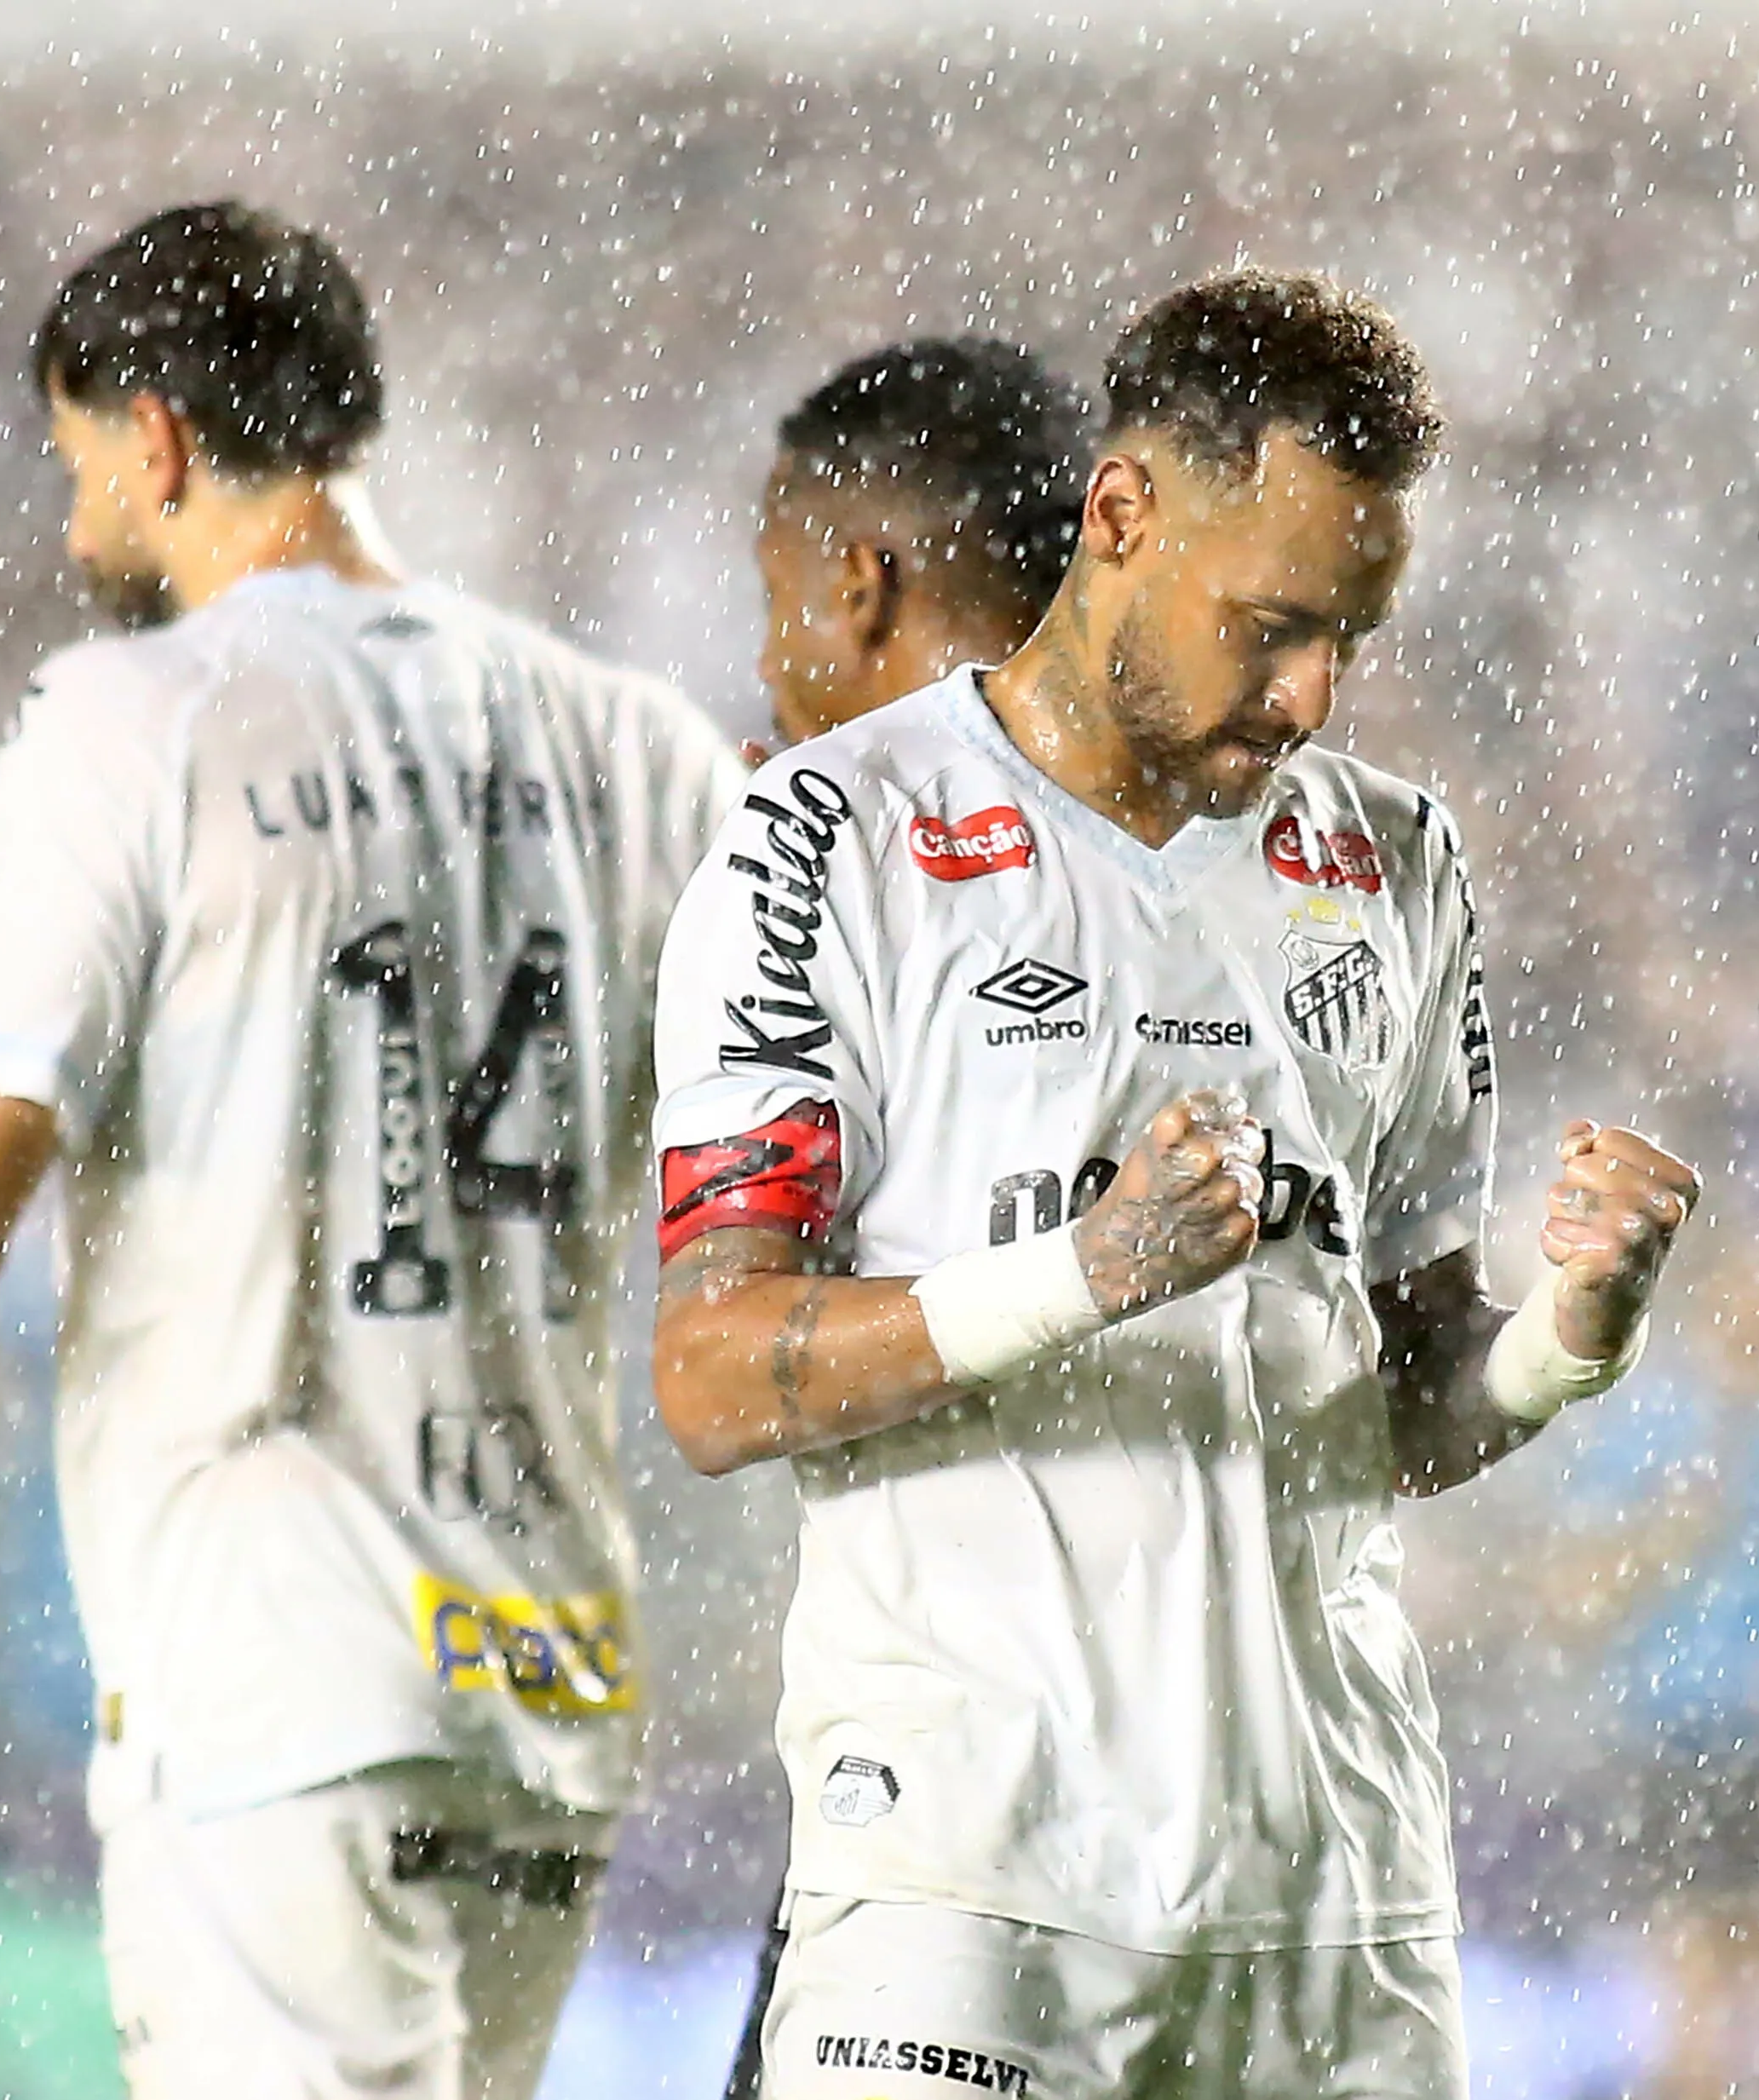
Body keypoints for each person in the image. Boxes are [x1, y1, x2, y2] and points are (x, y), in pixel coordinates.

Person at [651, 267, 1702, 2100]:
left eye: (1350, 637)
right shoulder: (825, 837)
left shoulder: (1393, 860)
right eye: (1273, 622)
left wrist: (1565, 1335)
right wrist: (1080, 1269)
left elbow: (1397, 1401)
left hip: (1336, 1916)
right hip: (973, 1907)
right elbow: (718, 1370)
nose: (1309, 691)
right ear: (1120, 515)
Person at [0, 201, 744, 2097]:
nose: (78, 533)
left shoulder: (129, 721)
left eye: (81, 469)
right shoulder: (639, 745)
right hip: (547, 1689)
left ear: (156, 438)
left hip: (280, 1677)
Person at [719, 331, 1089, 2100]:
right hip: (1235, 1834)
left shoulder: (825, 860)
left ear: (859, 579)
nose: (769, 645)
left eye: (778, 585)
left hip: (945, 1827)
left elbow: (722, 1377)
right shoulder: (1255, 837)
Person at [751, 336, 1091, 752]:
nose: (766, 666)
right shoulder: (1164, 789)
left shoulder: (823, 805)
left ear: (860, 591)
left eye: (776, 596)